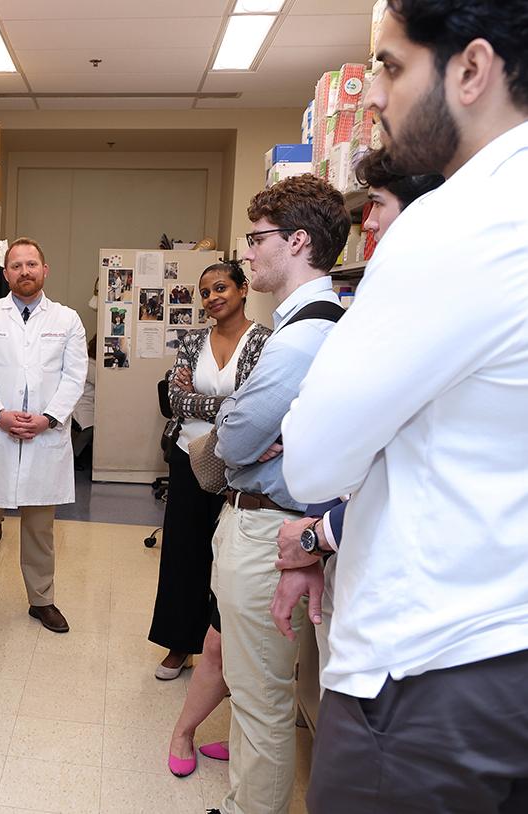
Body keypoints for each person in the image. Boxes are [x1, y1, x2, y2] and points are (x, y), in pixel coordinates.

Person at [280, 3, 528, 811]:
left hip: (429, 676)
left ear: (471, 69)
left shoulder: (457, 223)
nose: (376, 95)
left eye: (390, 66)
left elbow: (311, 458)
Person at [268, 149, 445, 673]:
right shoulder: (391, 301)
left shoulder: (439, 314)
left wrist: (315, 536)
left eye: (378, 204)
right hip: (353, 549)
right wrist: (318, 537)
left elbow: (412, 466)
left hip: (416, 588)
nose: (366, 222)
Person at [207, 174, 350, 814]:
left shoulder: (298, 339)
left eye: (256, 238)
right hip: (281, 524)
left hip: (270, 530)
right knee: (259, 689)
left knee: (259, 695)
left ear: (296, 242)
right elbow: (242, 430)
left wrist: (243, 429)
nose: (247, 252)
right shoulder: (315, 323)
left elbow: (233, 441)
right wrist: (251, 427)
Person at [145, 263, 272, 776]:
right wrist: (229, 404)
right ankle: (180, 645)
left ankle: (228, 660)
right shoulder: (192, 340)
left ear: (242, 289)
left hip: (240, 464)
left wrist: (213, 405)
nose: (212, 297)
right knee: (184, 552)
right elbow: (175, 400)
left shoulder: (263, 341)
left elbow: (258, 406)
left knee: (230, 561)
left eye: (221, 287)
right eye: (205, 291)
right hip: (189, 456)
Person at [0, 237, 88, 634]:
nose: (25, 271)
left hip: (44, 436)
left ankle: (42, 600)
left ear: (44, 270)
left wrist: (48, 419)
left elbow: (74, 376)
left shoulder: (67, 319)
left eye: (31, 264)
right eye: (16, 266)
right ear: (6, 274)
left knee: (40, 528)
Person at [72, 335, 97, 471]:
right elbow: (101, 381)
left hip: (91, 403)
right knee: (89, 428)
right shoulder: (89, 365)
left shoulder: (94, 363)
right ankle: (74, 457)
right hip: (82, 404)